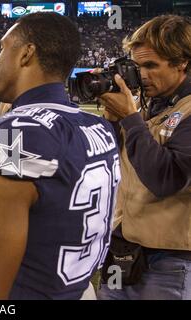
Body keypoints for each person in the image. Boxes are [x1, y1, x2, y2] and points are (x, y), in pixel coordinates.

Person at [0, 12, 120, 300]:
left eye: (2, 48)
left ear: (26, 54)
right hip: (79, 287)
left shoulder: (18, 130)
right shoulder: (98, 125)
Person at [97, 15, 191, 300]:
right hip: (122, 250)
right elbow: (105, 164)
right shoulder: (147, 105)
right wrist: (113, 122)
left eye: (151, 65)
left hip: (170, 261)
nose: (142, 75)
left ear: (182, 62)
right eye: (137, 66)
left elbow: (166, 179)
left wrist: (130, 119)